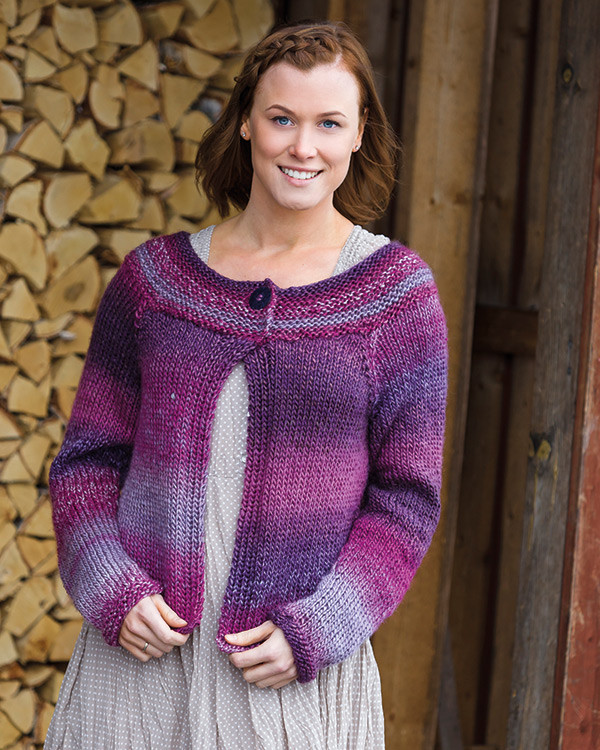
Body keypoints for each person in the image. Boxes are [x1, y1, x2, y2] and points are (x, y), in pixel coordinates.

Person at [44, 20, 448, 750]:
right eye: (281, 119)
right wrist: (110, 585)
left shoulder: (395, 297)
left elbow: (405, 501)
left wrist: (322, 627)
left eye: (329, 123)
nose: (303, 147)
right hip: (138, 673)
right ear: (245, 124)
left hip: (289, 679)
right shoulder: (154, 282)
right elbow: (87, 464)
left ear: (359, 134)